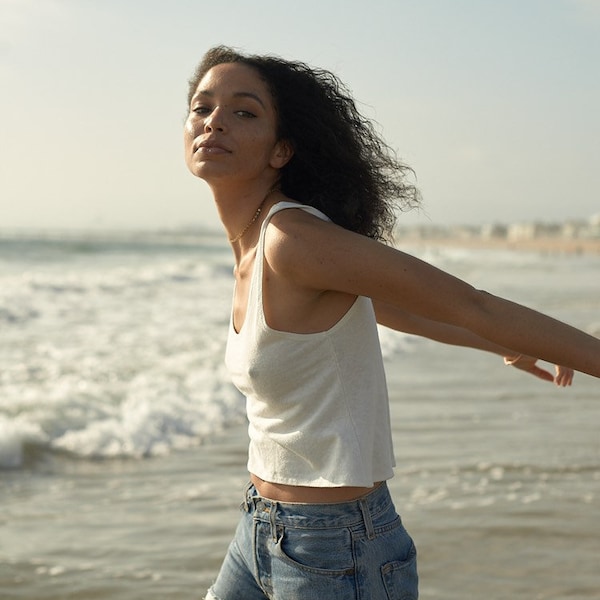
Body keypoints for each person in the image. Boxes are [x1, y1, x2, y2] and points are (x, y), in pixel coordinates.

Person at [183, 46, 599, 600]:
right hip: (259, 531)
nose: (214, 120)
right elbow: (400, 312)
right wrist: (499, 346)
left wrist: (529, 338)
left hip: (334, 550)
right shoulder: (257, 248)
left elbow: (471, 303)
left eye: (244, 111)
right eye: (202, 106)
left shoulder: (293, 240)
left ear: (282, 150)